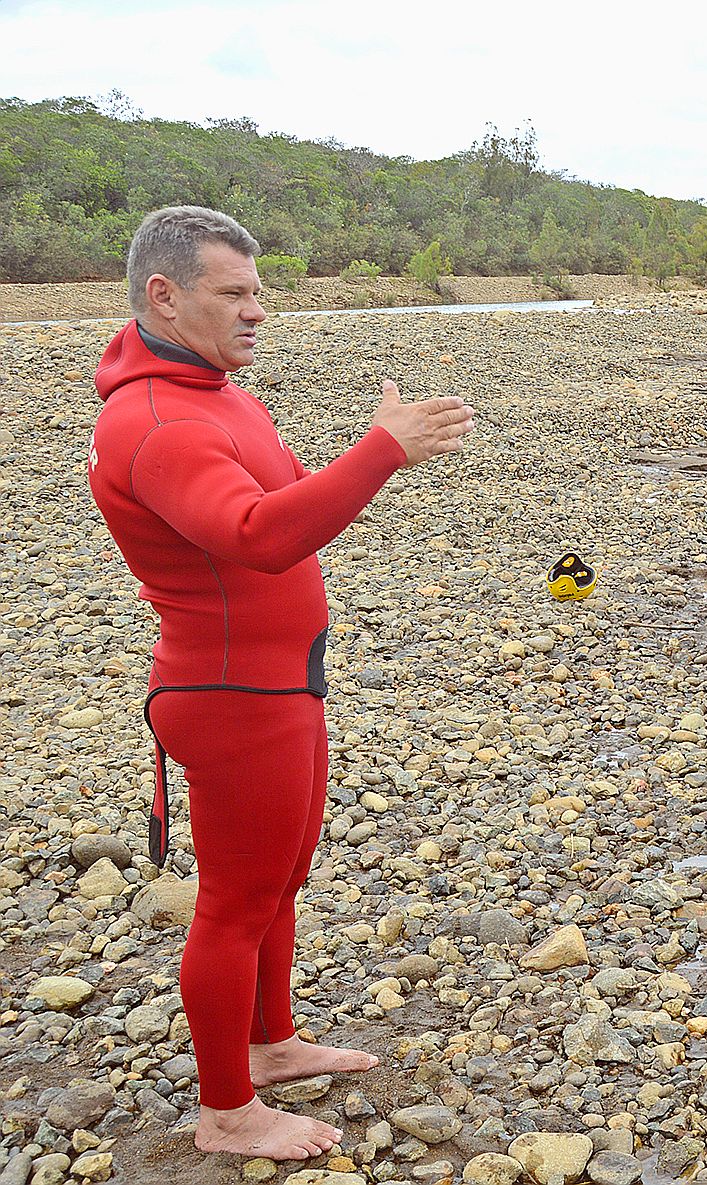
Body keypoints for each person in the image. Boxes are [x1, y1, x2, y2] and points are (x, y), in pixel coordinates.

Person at [87, 206, 474, 1160]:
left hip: (284, 683)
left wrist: (363, 449)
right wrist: (384, 449)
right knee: (234, 900)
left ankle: (270, 1043)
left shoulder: (219, 393)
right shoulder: (154, 421)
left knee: (280, 878)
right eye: (236, 294)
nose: (258, 311)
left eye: (260, 292)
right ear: (163, 295)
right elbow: (262, 536)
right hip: (230, 697)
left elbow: (292, 493)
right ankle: (226, 1109)